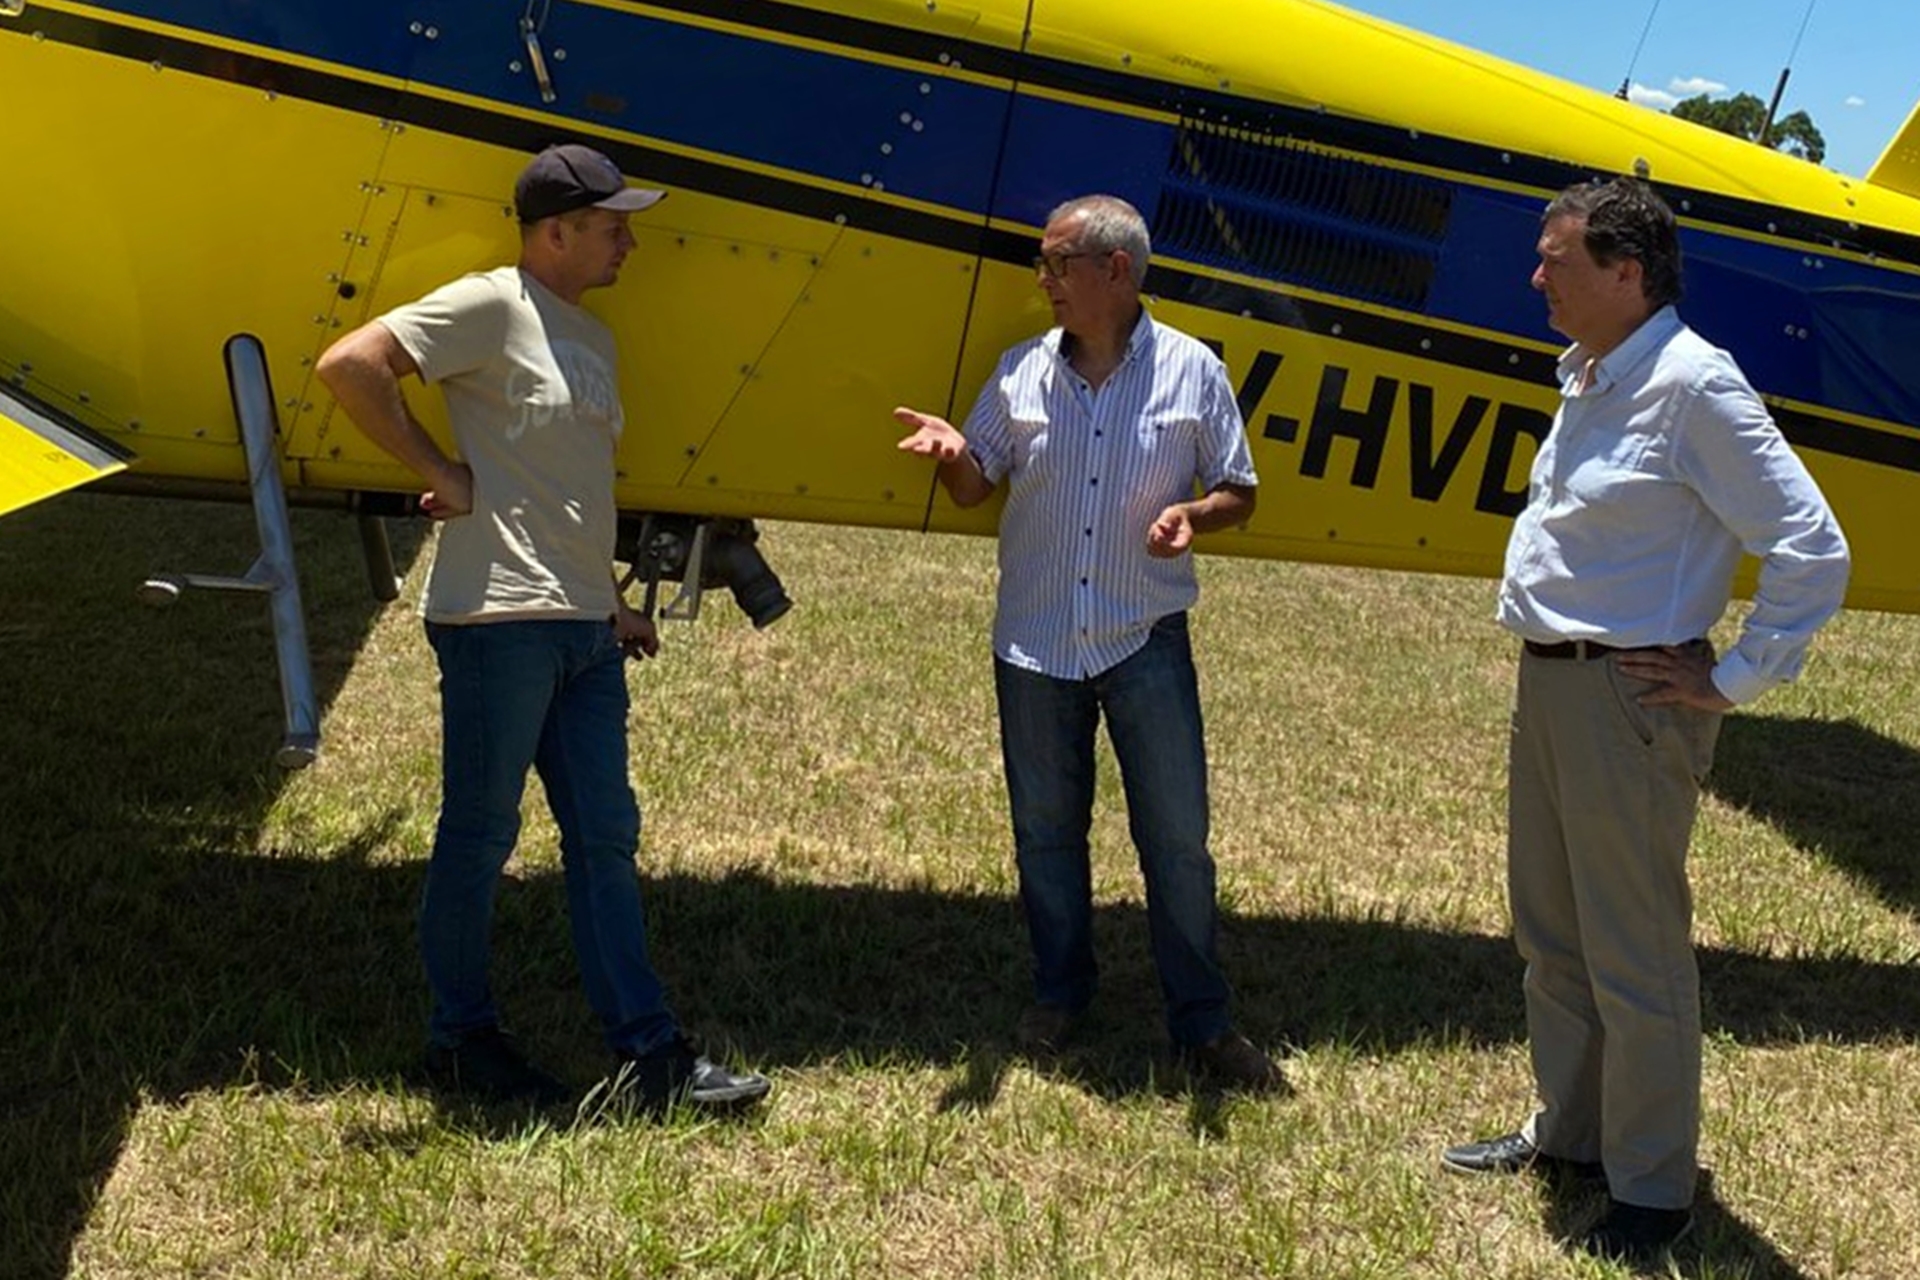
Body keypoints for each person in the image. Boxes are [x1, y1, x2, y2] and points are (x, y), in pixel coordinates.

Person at [1441, 177, 1849, 1263]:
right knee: (1552, 929)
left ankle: (1654, 1186)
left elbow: (1813, 547)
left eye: (1557, 260)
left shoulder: (1693, 385)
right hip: (1553, 681)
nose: (1536, 277)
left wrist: (1735, 677)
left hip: (1629, 698)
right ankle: (1571, 1132)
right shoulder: (1592, 372)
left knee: (1635, 951)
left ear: (1628, 272)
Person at [316, 143, 769, 1112]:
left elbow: (570, 490)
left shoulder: (593, 339)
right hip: (497, 622)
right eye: (614, 227)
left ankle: (652, 1055)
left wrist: (611, 605)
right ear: (554, 231)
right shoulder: (488, 303)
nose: (630, 243)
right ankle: (462, 1041)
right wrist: (440, 473)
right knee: (479, 836)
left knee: (605, 837)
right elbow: (351, 365)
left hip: (580, 630)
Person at [893, 195, 1281, 1091]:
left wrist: (1195, 513)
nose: (1043, 280)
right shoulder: (1021, 371)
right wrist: (955, 450)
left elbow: (1240, 490)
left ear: (1116, 269)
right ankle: (1061, 994)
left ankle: (1202, 1020)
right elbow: (971, 488)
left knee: (1178, 839)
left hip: (1142, 635)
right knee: (1044, 835)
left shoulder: (1193, 371)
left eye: (1057, 263)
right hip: (1034, 642)